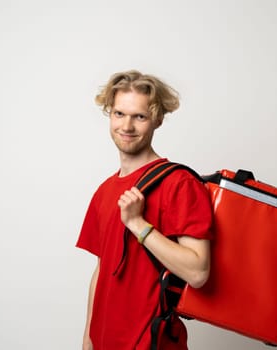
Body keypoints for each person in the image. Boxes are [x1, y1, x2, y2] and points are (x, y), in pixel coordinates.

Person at [76, 70, 213, 350]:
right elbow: (102, 271)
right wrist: (88, 340)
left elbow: (198, 272)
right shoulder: (104, 191)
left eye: (139, 116)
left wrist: (138, 223)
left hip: (151, 343)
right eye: (119, 114)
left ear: (158, 120)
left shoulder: (179, 184)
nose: (126, 126)